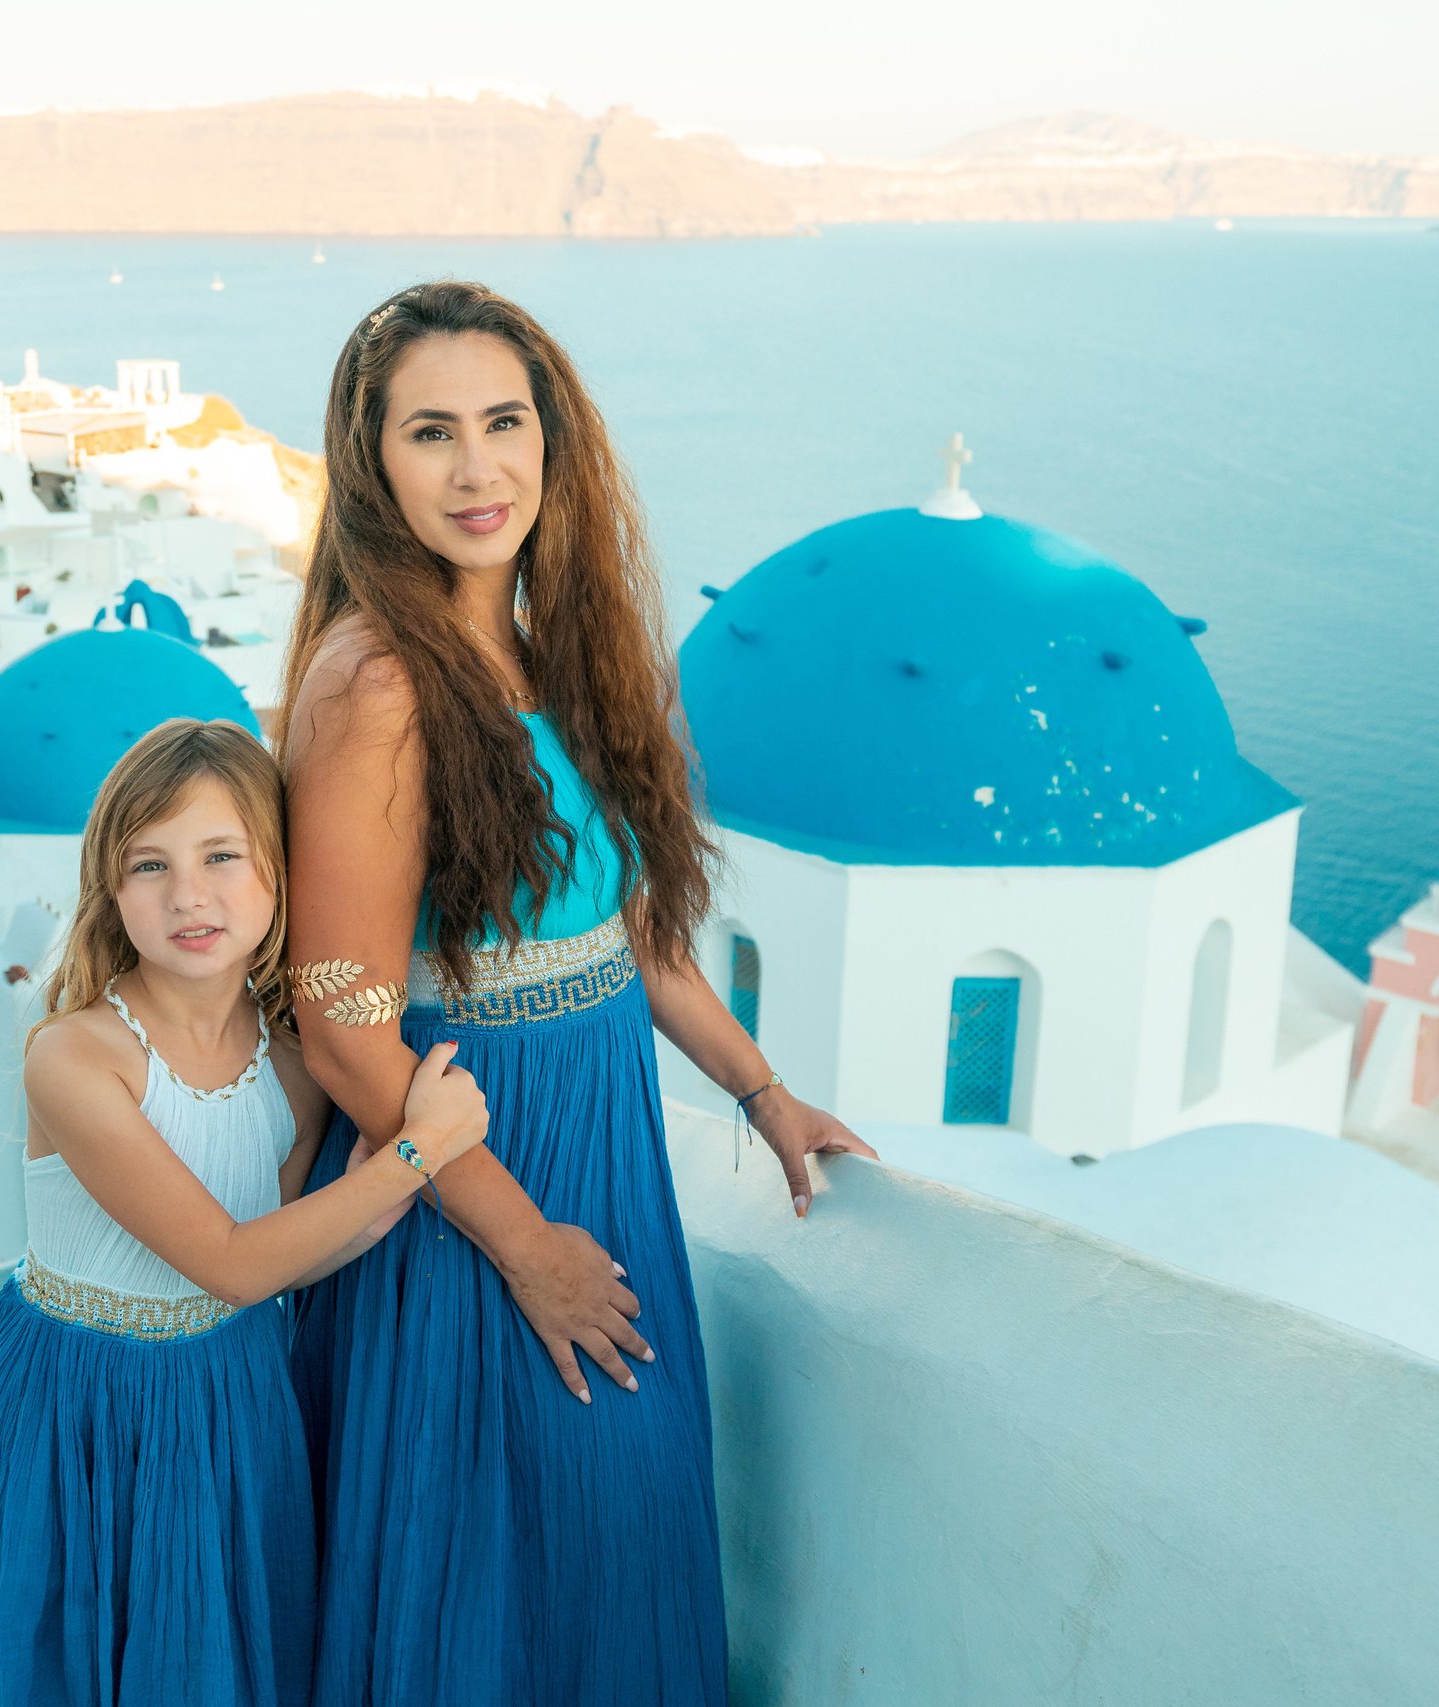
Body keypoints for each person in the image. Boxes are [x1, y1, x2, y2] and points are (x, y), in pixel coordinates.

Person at [279, 281, 879, 1705]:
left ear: (556, 438)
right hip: (471, 1176)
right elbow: (340, 1016)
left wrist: (762, 1087)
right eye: (432, 432)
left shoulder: (563, 649)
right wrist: (527, 1241)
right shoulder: (375, 682)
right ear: (374, 465)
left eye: (504, 421)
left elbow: (631, 936)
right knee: (503, 1548)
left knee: (619, 1530)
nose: (478, 467)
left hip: (607, 1148)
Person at [0, 717, 488, 1706]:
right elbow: (229, 1260)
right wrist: (418, 1152)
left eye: (222, 855)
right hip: (78, 1402)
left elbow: (283, 1245)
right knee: (68, 1657)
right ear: (110, 892)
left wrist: (376, 1213)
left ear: (276, 871)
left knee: (209, 1657)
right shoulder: (77, 1057)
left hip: (230, 1391)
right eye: (149, 867)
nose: (190, 897)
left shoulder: (296, 1061)